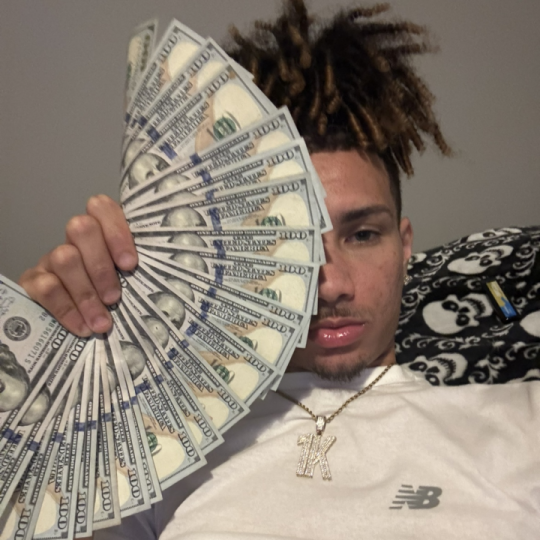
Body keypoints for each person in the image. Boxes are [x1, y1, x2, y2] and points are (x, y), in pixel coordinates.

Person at [18, 1, 539, 538]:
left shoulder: (519, 424)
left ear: (405, 246)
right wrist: (46, 378)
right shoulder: (159, 450)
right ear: (240, 259)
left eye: (362, 235)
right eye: (293, 245)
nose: (331, 286)